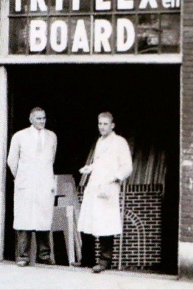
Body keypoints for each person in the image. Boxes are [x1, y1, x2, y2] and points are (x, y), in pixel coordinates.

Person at [77, 112, 133, 273]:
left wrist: (114, 178)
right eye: (100, 123)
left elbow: (127, 167)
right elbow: (100, 162)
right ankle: (87, 259)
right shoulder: (100, 141)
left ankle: (104, 261)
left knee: (105, 224)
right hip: (94, 185)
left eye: (105, 124)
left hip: (108, 188)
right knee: (87, 222)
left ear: (112, 125)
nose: (102, 126)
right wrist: (90, 168)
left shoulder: (119, 142)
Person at [6, 107, 57, 267]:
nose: (42, 121)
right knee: (24, 219)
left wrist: (43, 176)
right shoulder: (19, 136)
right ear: (31, 119)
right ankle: (23, 256)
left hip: (43, 183)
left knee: (43, 219)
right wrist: (21, 176)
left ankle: (44, 255)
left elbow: (51, 159)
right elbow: (11, 161)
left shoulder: (52, 137)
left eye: (43, 118)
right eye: (38, 118)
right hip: (26, 183)